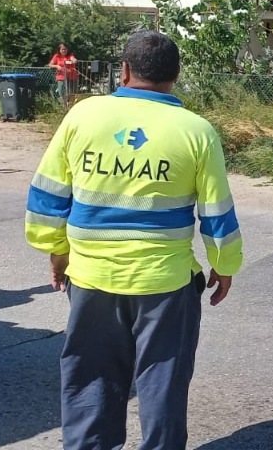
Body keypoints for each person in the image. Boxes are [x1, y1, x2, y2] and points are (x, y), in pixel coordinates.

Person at [25, 31, 243, 450]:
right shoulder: (196, 131)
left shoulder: (82, 116)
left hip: (90, 277)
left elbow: (48, 195)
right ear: (176, 77)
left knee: (91, 376)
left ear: (123, 71)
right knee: (162, 381)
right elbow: (216, 212)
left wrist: (57, 251)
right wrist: (225, 264)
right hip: (165, 282)